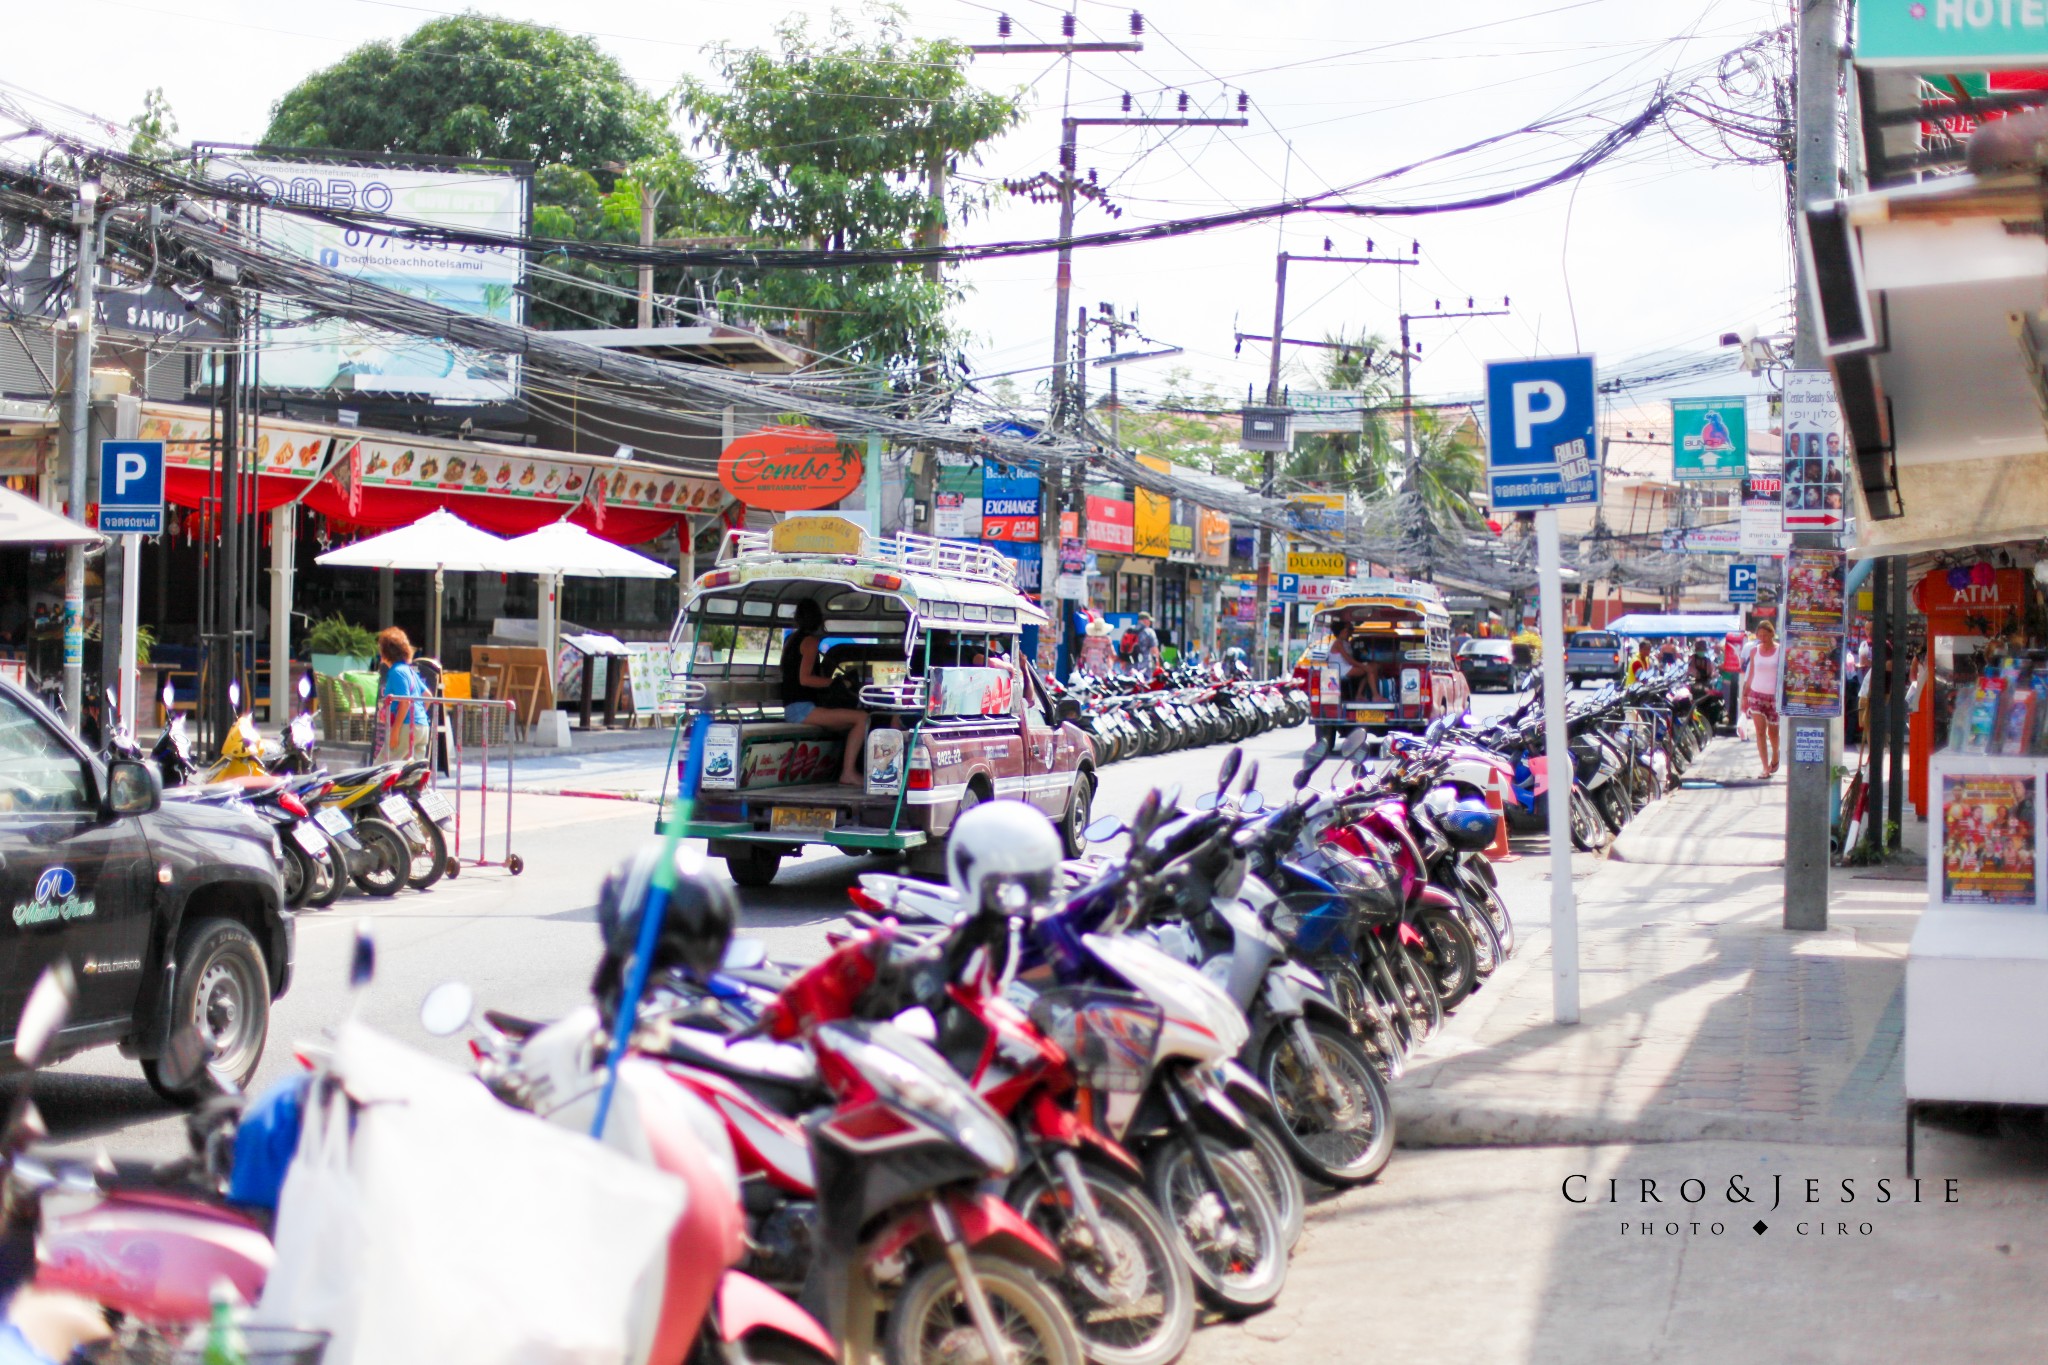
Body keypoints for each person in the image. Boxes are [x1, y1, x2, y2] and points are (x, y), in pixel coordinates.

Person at [780, 598, 868, 786]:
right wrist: (836, 683)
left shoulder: (791, 640)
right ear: (818, 620)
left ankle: (836, 770)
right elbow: (805, 679)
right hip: (802, 709)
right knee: (862, 719)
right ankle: (848, 773)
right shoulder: (810, 642)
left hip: (794, 707)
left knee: (849, 724)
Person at [374, 626, 431, 761]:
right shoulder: (409, 670)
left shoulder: (396, 672)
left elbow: (405, 701)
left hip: (406, 728)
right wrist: (418, 716)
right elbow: (428, 696)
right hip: (422, 727)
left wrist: (396, 730)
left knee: (380, 771)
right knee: (410, 776)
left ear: (385, 652)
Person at [1741, 618, 1783, 778]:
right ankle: (1765, 768)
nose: (1763, 639)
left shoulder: (1780, 650)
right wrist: (1745, 695)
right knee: (1759, 731)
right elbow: (1750, 674)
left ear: (1772, 634)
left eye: (1766, 635)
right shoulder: (1754, 651)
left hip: (1774, 697)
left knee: (1773, 733)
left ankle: (1776, 755)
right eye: (1760, 636)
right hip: (1756, 694)